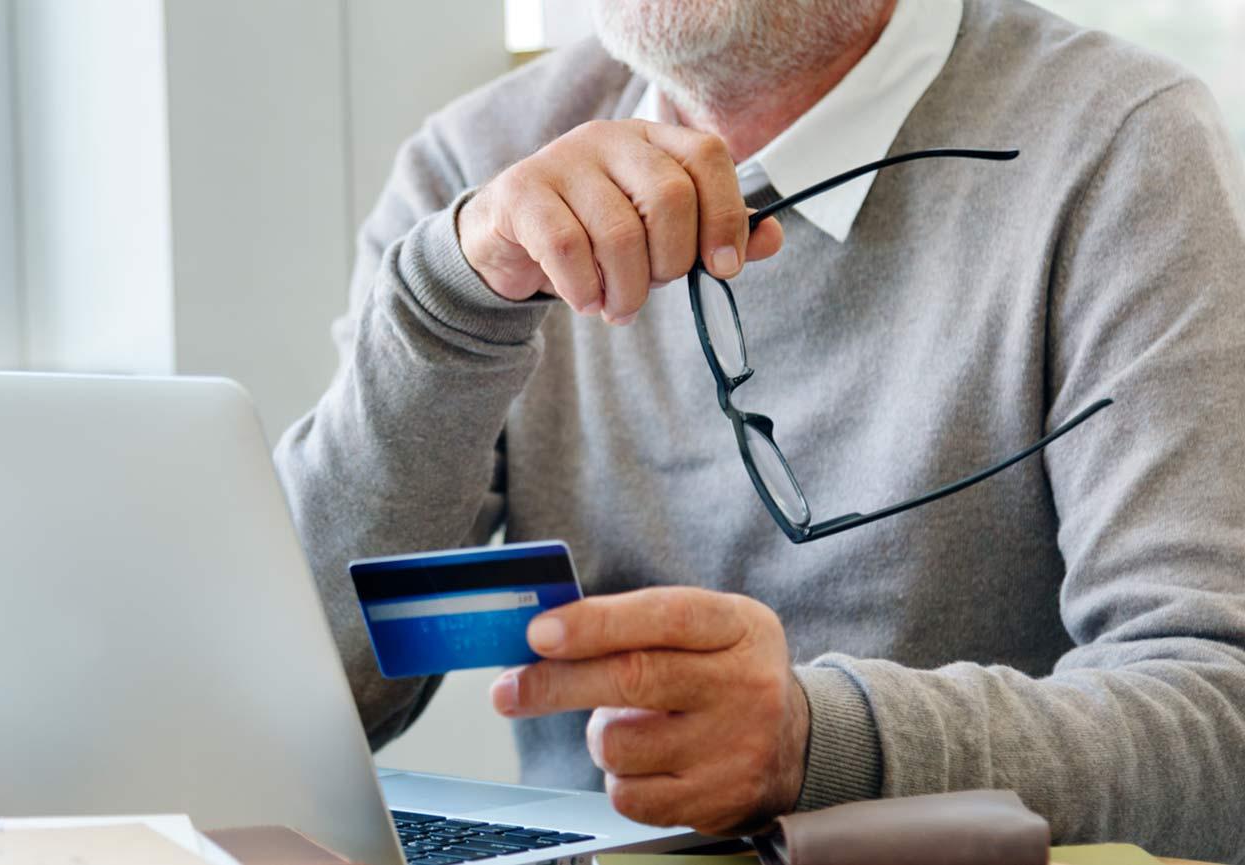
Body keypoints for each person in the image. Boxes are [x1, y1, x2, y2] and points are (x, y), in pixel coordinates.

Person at [273, 0, 1245, 860]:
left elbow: (1219, 725)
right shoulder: (475, 166)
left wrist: (817, 744)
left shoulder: (1119, 142)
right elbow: (302, 700)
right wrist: (451, 306)